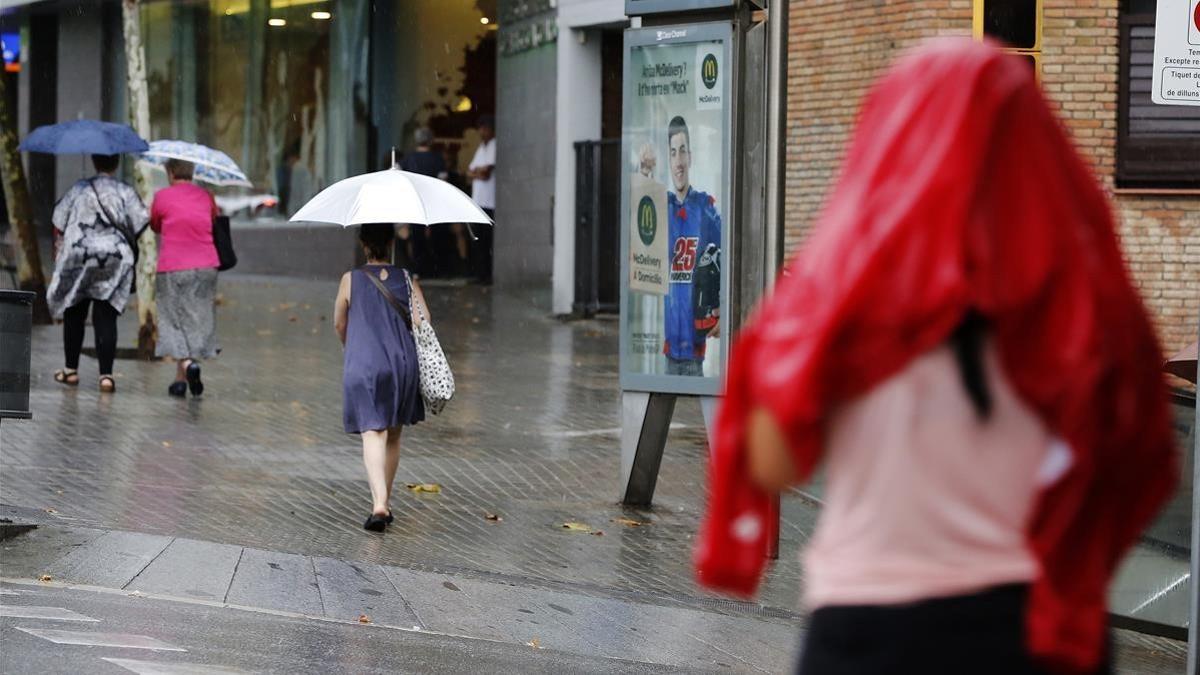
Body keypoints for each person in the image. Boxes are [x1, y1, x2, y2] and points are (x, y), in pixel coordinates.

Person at [694, 40, 1177, 674]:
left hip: (872, 631)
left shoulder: (841, 297)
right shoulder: (1086, 306)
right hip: (1040, 632)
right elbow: (1135, 457)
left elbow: (774, 458)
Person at [334, 223, 429, 532]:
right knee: (393, 433)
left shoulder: (351, 280)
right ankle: (384, 502)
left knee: (372, 432)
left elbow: (339, 323)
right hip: (402, 364)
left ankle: (379, 504)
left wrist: (354, 343)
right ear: (390, 244)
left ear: (363, 244)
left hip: (364, 362)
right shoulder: (405, 278)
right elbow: (423, 320)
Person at [46, 153, 148, 393]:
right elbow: (141, 222)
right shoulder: (125, 191)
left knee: (75, 310)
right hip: (114, 258)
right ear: (117, 163)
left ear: (94, 161)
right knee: (106, 315)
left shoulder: (79, 188)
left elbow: (58, 220)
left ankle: (71, 370)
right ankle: (106, 377)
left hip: (79, 256)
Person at [639, 116, 722, 376]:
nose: (678, 160)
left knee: (706, 414)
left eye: (682, 151)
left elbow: (726, 258)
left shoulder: (704, 208)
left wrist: (724, 311)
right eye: (673, 153)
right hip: (670, 350)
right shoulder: (662, 207)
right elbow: (642, 228)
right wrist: (644, 172)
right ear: (669, 159)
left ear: (690, 157)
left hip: (696, 349)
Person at [150, 158, 220, 398]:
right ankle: (180, 380)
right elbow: (212, 219)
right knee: (196, 319)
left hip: (173, 266)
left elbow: (155, 224)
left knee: (173, 319)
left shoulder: (162, 197)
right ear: (192, 172)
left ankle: (187, 365)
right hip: (206, 265)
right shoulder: (206, 196)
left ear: (170, 172)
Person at [400, 127, 448, 276]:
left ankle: (418, 269)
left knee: (417, 237)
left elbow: (395, 173)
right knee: (437, 236)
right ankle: (437, 269)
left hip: (414, 202)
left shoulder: (408, 159)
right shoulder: (437, 159)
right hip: (433, 203)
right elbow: (443, 180)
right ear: (430, 140)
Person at [466, 115, 495, 285]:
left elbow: (486, 173)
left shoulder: (493, 146)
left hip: (489, 201)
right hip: (479, 201)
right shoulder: (481, 148)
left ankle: (485, 275)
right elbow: (470, 172)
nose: (481, 132)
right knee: (479, 240)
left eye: (484, 128)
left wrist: (477, 172)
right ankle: (479, 273)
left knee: (486, 240)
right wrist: (477, 172)